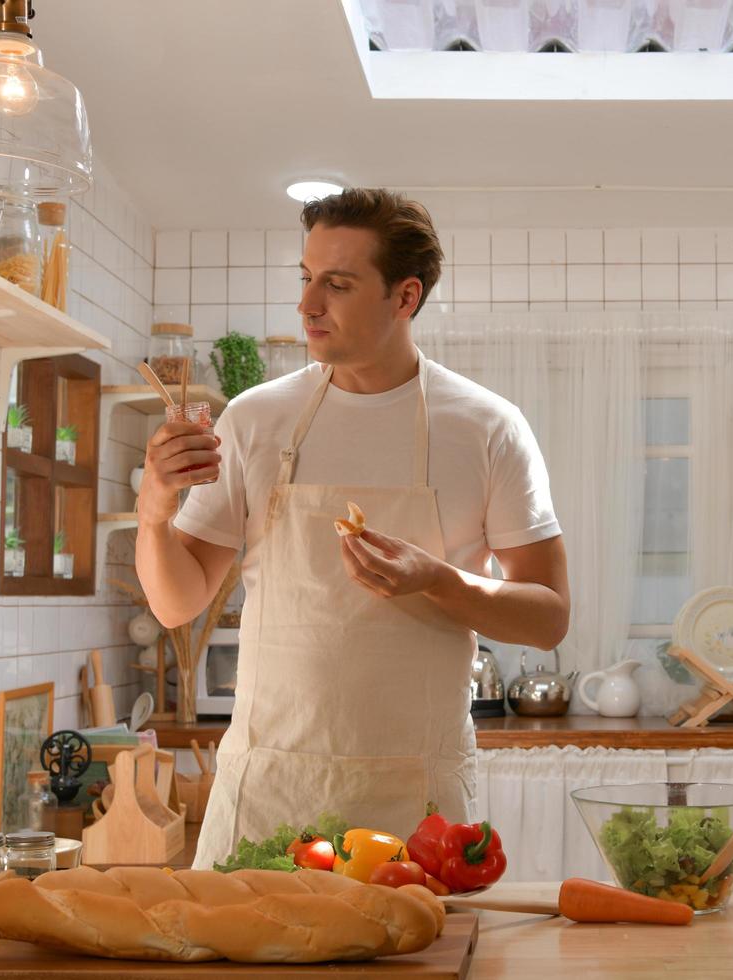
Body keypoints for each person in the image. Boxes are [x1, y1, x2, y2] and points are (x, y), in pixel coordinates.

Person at [134, 189, 570, 868]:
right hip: (270, 793)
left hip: (417, 804)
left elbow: (547, 618)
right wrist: (154, 511)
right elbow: (176, 601)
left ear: (405, 297)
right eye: (306, 279)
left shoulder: (487, 428)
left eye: (337, 284)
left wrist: (437, 580)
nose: (309, 304)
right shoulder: (254, 421)